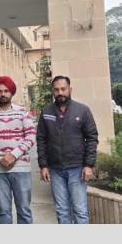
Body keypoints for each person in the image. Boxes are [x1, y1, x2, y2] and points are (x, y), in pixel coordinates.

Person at [36, 76, 99, 224]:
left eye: (63, 89)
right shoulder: (46, 111)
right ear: (53, 91)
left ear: (70, 89)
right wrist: (43, 165)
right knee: (61, 210)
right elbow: (41, 139)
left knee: (80, 211)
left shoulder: (82, 110)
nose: (60, 93)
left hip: (77, 169)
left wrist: (88, 165)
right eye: (56, 90)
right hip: (55, 170)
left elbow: (92, 138)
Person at [0, 76, 36, 224]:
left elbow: (31, 136)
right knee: (3, 211)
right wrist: (0, 157)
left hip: (21, 168)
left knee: (24, 210)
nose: (3, 94)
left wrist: (13, 155)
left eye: (6, 91)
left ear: (11, 92)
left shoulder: (23, 112)